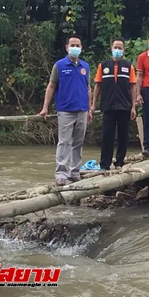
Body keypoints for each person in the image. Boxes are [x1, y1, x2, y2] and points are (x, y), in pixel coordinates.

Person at [38, 34, 92, 186]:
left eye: (78, 45)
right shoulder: (59, 65)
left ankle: (74, 172)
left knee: (78, 142)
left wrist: (89, 107)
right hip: (66, 110)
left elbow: (88, 87)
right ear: (67, 47)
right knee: (64, 142)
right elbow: (51, 86)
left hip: (82, 109)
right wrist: (45, 107)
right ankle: (61, 173)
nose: (75, 48)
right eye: (72, 45)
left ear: (81, 48)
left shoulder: (85, 67)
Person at [92, 37, 137, 170]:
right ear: (111, 49)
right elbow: (98, 86)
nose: (117, 50)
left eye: (120, 48)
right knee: (107, 135)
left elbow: (132, 87)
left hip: (124, 106)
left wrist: (133, 106)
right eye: (115, 47)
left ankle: (119, 162)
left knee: (123, 135)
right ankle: (105, 164)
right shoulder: (103, 65)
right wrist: (94, 104)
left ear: (124, 50)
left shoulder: (129, 66)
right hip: (108, 106)